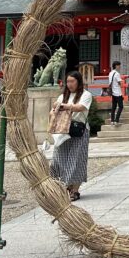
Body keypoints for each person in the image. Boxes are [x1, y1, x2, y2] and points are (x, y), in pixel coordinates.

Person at [51, 71, 93, 201]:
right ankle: (65, 186)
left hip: (78, 130)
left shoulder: (86, 95)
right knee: (58, 159)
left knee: (76, 160)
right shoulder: (62, 96)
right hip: (63, 130)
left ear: (78, 82)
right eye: (67, 81)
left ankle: (75, 190)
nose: (69, 84)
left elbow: (80, 107)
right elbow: (53, 110)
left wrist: (64, 106)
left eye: (72, 81)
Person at [108, 61, 125, 125]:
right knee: (121, 106)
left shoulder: (110, 73)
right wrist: (122, 82)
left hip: (113, 92)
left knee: (114, 107)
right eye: (119, 65)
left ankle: (112, 120)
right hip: (118, 92)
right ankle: (116, 120)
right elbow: (120, 83)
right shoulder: (117, 74)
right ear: (116, 66)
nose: (120, 66)